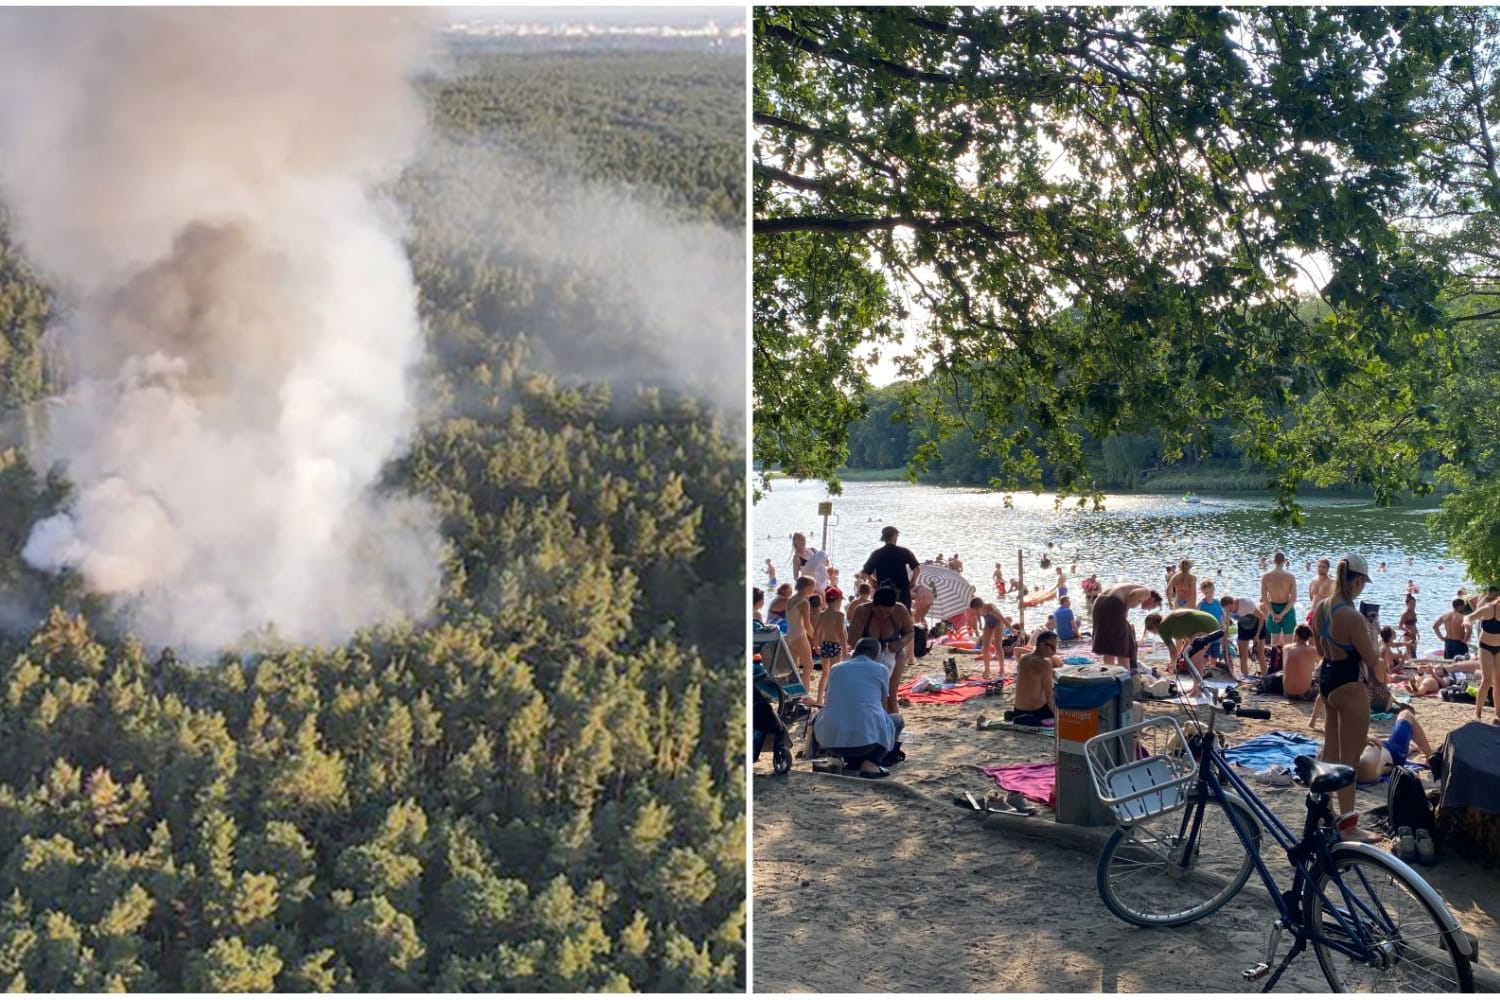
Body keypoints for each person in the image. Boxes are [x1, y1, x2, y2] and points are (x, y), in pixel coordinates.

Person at [1311, 554, 1382, 843]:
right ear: (1356, 580)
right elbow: (1372, 659)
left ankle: (1323, 807)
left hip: (1328, 680)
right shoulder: (1352, 616)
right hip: (1350, 684)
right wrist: (1372, 632)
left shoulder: (1321, 607)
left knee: (1330, 750)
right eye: (1363, 582)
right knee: (1349, 758)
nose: (1363, 587)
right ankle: (1348, 824)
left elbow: (1319, 647)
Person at [811, 637, 905, 778]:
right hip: (866, 745)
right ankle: (872, 764)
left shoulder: (836, 668)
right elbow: (883, 708)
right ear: (876, 655)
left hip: (831, 743)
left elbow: (829, 701)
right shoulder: (881, 669)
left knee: (820, 716)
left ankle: (831, 758)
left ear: (855, 652)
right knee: (896, 720)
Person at [847, 585, 916, 714]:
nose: (883, 616)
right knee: (870, 696)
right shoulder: (862, 611)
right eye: (879, 612)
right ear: (873, 605)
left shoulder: (900, 610)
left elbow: (910, 632)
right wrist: (874, 646)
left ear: (893, 608)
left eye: (887, 613)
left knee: (890, 696)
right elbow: (852, 640)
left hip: (894, 655)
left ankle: (892, 728)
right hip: (868, 656)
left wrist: (900, 642)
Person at [1091, 583, 1163, 671]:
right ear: (1153, 599)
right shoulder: (1147, 593)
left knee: (1108, 645)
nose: (1148, 610)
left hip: (1099, 603)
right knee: (1124, 645)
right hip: (1112, 603)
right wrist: (1125, 612)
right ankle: (1125, 674)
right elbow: (1133, 595)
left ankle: (1108, 672)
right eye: (1152, 607)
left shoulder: (1132, 587)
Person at [1353, 709, 1432, 785]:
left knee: (1377, 746)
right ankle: (1431, 756)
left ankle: (1415, 748)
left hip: (1385, 754)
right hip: (1392, 753)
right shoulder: (1366, 765)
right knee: (1406, 715)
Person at [1143, 607, 1224, 677]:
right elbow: (1187, 640)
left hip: (1204, 626)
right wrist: (1180, 656)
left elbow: (1173, 651)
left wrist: (1173, 668)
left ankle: (1197, 688)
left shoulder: (1162, 628)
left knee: (1194, 660)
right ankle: (1199, 680)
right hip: (1212, 621)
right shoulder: (1169, 623)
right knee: (1195, 657)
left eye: (1151, 631)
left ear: (1152, 627)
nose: (1153, 634)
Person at [861, 526, 920, 610]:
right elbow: (916, 568)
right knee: (904, 615)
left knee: (884, 617)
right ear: (895, 535)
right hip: (902, 591)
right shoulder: (904, 552)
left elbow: (865, 573)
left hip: (884, 591)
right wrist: (913, 580)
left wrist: (872, 582)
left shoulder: (877, 554)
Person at [1011, 631, 1060, 727]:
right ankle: (1032, 719)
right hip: (1035, 711)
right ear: (1042, 645)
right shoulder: (1044, 664)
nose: (1054, 652)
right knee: (1060, 696)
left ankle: (1020, 716)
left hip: (1018, 709)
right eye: (1052, 647)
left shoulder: (1023, 659)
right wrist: (1059, 717)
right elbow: (1049, 697)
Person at [1466, 592, 1500, 722]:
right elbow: (1469, 617)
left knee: (1498, 681)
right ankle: (1478, 714)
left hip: (1499, 648)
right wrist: (1466, 622)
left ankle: (1497, 714)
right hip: (1485, 647)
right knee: (1486, 680)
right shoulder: (1488, 609)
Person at [814, 589, 850, 703]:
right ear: (837, 600)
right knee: (835, 672)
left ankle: (819, 699)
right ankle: (832, 699)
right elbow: (841, 633)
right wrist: (844, 649)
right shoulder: (839, 615)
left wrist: (816, 646)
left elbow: (816, 632)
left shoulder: (822, 614)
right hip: (835, 645)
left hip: (825, 644)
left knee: (825, 672)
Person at [784, 577, 818, 700]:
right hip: (799, 636)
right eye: (813, 586)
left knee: (794, 667)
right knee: (809, 664)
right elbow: (807, 625)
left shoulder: (790, 599)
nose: (814, 589)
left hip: (789, 636)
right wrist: (816, 639)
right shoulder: (804, 602)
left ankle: (792, 694)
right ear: (807, 586)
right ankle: (805, 695)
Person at [1222, 593, 1268, 677]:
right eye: (1226, 610)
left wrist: (1257, 635)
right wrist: (1225, 638)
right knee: (1243, 655)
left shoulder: (1245, 603)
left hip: (1257, 624)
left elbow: (1261, 617)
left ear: (1233, 602)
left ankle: (1265, 677)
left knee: (1260, 654)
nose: (1229, 611)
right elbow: (1229, 625)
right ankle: (1245, 677)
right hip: (1243, 626)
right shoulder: (1227, 610)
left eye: (1230, 608)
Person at [966, 597, 1011, 680]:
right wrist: (979, 623)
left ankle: (1001, 669)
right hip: (988, 623)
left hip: (998, 622)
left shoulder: (990, 608)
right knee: (985, 646)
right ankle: (987, 669)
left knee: (998, 645)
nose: (975, 613)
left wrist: (1011, 629)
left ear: (980, 607)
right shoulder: (978, 610)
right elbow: (979, 616)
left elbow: (1002, 619)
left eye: (976, 611)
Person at [1261, 551, 1297, 648]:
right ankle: (1288, 662)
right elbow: (1293, 599)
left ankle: (1274, 662)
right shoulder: (1290, 577)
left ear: (1274, 561)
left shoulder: (1266, 576)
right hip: (1287, 609)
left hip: (1273, 607)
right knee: (1289, 644)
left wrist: (1273, 613)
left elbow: (1264, 599)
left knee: (1274, 643)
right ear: (1284, 561)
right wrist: (1282, 614)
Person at [1282, 624, 1317, 698]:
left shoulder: (1286, 648)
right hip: (1304, 694)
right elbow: (1323, 662)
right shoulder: (1313, 650)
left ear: (1296, 636)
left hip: (1287, 692)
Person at [1197, 580, 1226, 664]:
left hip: (1217, 633)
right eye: (1206, 592)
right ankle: (1203, 670)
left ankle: (1212, 669)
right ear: (1203, 592)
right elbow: (1197, 619)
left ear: (1214, 590)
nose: (1209, 594)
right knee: (1205, 655)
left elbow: (1221, 617)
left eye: (1211, 591)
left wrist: (1224, 629)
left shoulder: (1218, 603)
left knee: (1215, 655)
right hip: (1206, 633)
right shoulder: (1201, 604)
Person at [1398, 594, 1419, 659]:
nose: (1413, 606)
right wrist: (1407, 630)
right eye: (1411, 604)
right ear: (1407, 604)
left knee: (1413, 652)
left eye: (1414, 604)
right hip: (1408, 636)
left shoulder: (1413, 612)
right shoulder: (1405, 614)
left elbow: (1414, 624)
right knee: (1410, 653)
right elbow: (1400, 626)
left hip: (1414, 635)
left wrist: (1418, 632)